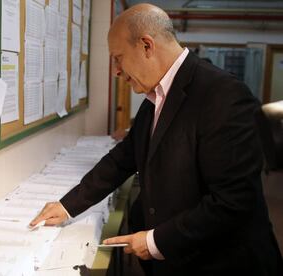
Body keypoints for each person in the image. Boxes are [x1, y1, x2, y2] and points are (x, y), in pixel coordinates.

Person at [30, 3, 283, 275]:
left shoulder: (223, 95)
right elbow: (123, 158)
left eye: (118, 57)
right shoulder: (156, 97)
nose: (116, 71)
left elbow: (233, 202)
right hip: (179, 258)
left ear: (146, 46)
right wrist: (68, 206)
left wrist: (153, 241)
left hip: (223, 264)